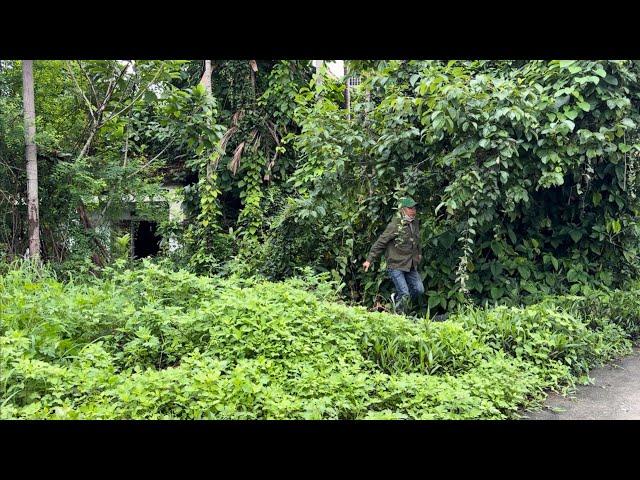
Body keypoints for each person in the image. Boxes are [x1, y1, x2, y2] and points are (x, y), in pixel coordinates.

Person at [363, 197, 425, 315]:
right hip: (396, 264)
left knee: (419, 290)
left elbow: (417, 241)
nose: (413, 211)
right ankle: (399, 315)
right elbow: (381, 241)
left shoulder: (415, 222)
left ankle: (396, 299)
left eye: (414, 208)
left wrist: (419, 254)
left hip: (410, 264)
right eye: (410, 208)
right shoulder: (395, 224)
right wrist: (369, 260)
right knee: (405, 294)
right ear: (403, 210)